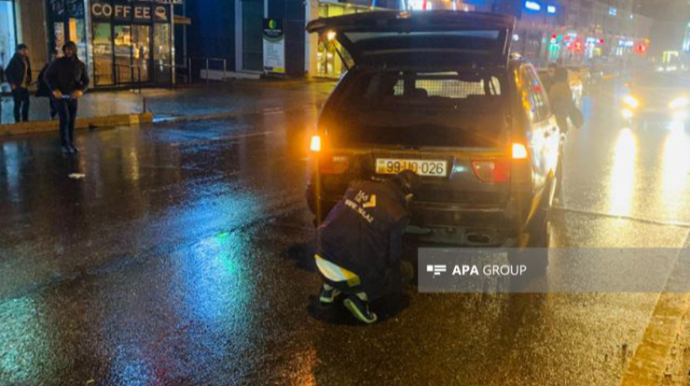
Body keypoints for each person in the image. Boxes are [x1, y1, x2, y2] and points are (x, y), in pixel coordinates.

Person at [315, 170, 418, 324]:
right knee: (403, 270)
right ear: (409, 195)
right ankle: (360, 298)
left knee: (345, 244)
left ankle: (328, 289)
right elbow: (393, 257)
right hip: (350, 267)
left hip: (321, 254)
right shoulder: (398, 214)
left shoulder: (358, 185)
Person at [45, 41, 89, 154]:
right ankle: (64, 143)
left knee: (72, 120)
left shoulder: (80, 65)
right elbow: (47, 76)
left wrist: (80, 90)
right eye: (66, 49)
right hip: (59, 96)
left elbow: (86, 81)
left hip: (72, 96)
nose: (68, 51)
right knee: (64, 118)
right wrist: (54, 89)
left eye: (70, 49)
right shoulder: (57, 63)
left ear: (74, 50)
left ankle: (70, 142)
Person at [5, 44, 32, 123]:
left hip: (24, 84)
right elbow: (7, 71)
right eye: (23, 50)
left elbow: (28, 70)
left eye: (26, 50)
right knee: (18, 103)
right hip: (17, 84)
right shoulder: (14, 60)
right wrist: (12, 83)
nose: (25, 52)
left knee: (26, 102)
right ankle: (17, 120)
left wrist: (29, 78)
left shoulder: (26, 59)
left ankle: (25, 119)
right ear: (18, 51)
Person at [36, 50, 59, 120]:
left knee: (56, 100)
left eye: (55, 56)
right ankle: (53, 112)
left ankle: (54, 112)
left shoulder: (58, 64)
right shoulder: (49, 65)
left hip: (57, 86)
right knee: (53, 100)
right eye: (53, 56)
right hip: (51, 86)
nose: (54, 57)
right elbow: (42, 75)